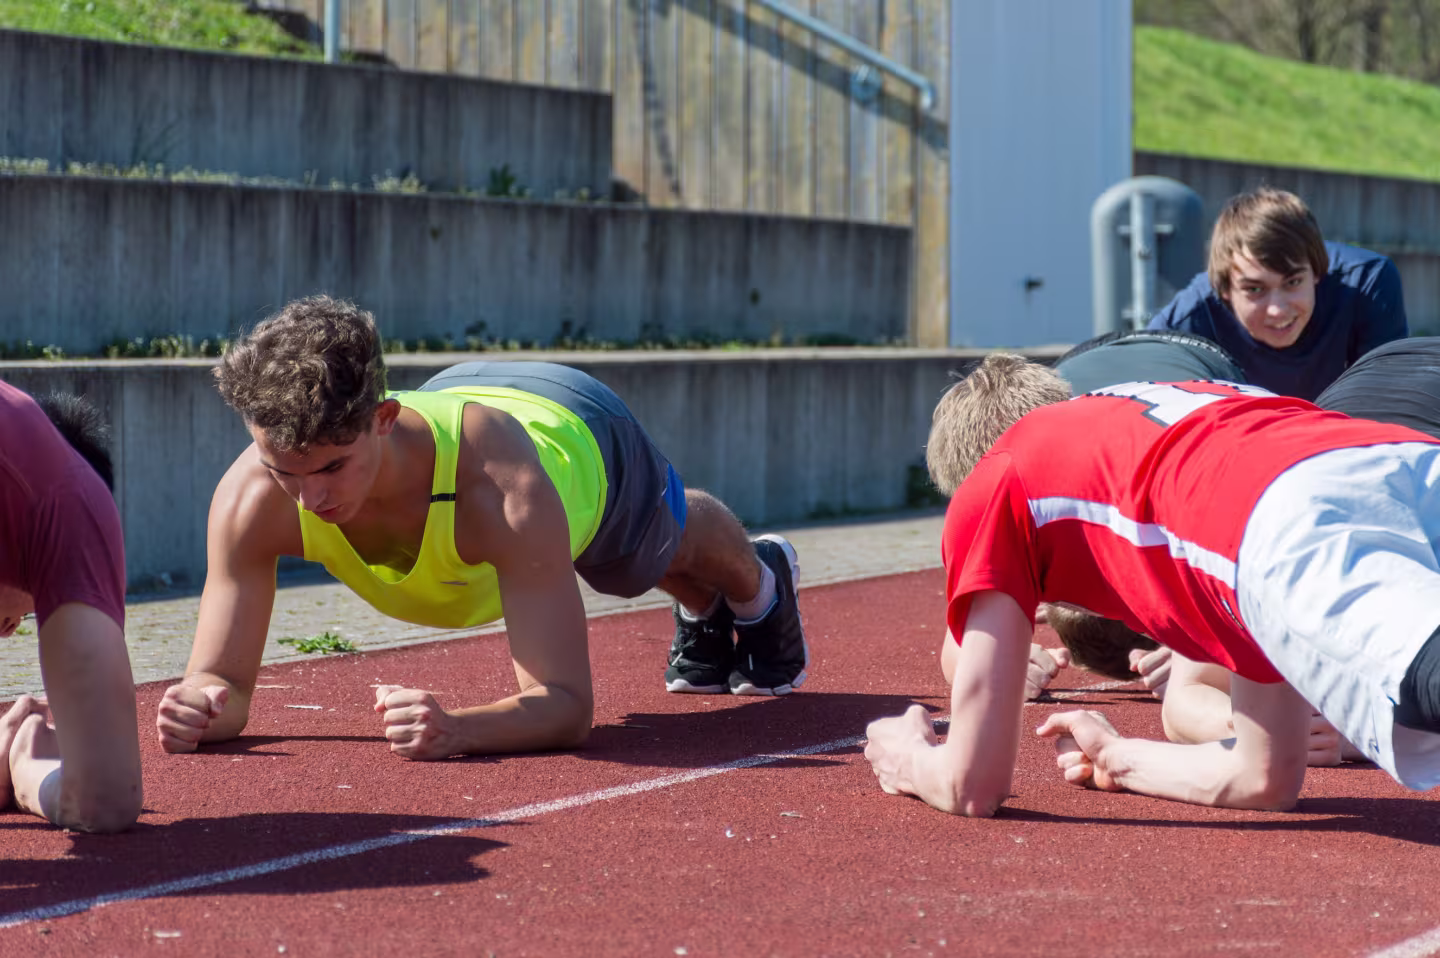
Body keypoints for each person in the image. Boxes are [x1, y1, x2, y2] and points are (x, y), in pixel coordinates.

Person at [155, 296, 808, 760]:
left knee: (637, 563)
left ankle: (761, 579)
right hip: (463, 393)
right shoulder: (250, 498)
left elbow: (565, 705)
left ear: (383, 420)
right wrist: (200, 704)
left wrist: (460, 729)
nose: (308, 500)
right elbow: (223, 684)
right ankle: (705, 612)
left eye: (332, 467)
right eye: (284, 472)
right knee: (646, 572)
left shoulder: (498, 487)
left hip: (575, 427)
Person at [865, 352, 1440, 815]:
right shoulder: (1161, 436)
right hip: (1397, 458)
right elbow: (1263, 775)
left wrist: (905, 755)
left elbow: (970, 786)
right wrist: (1118, 758)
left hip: (1288, 513)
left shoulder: (998, 476)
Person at [0, 384, 142, 832]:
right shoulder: (67, 501)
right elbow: (102, 798)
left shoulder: (65, 502)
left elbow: (104, 796)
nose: (9, 629)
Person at [1146, 186, 1407, 401]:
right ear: (1224, 289)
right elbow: (1141, 390)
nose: (1277, 310)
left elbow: (1387, 401)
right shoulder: (1190, 316)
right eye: (1254, 289)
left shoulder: (1366, 282)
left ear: (1317, 272)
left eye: (1293, 282)